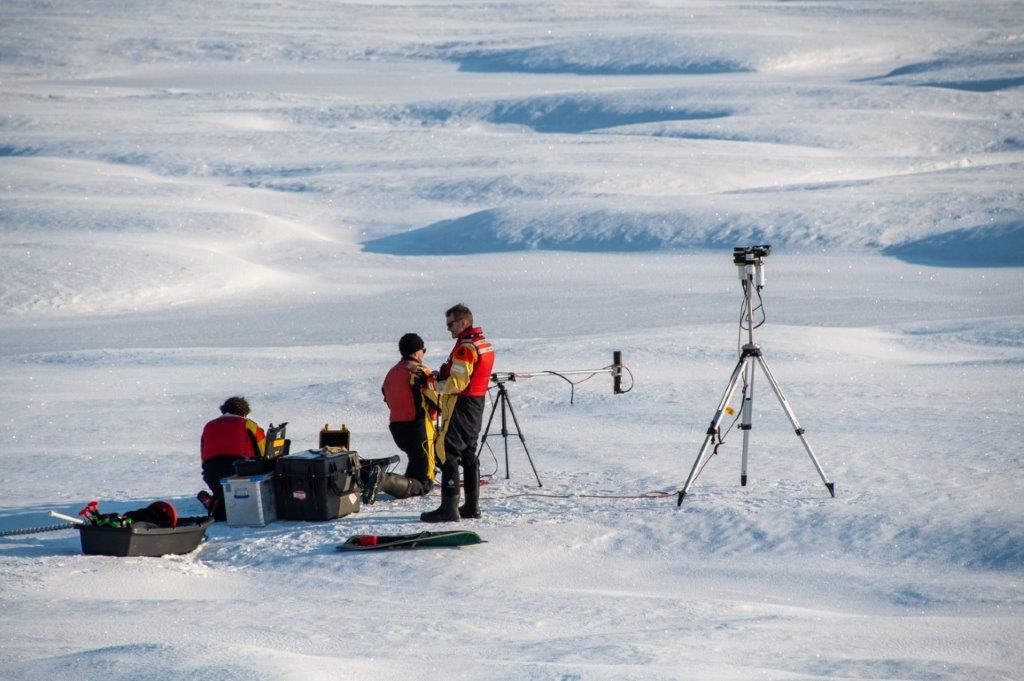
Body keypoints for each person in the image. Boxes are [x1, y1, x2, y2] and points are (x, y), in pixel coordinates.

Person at [421, 304, 494, 522]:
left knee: (448, 451)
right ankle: (471, 506)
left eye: (451, 324)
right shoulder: (482, 343)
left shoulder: (466, 348)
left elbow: (457, 383)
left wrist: (432, 385)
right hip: (476, 403)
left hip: (461, 404)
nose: (448, 329)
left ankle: (448, 508)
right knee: (469, 453)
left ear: (464, 322)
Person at [365, 333, 439, 503]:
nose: (423, 354)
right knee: (424, 483)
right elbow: (436, 400)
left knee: (415, 466)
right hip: (418, 428)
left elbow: (388, 397)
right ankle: (383, 481)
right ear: (417, 352)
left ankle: (377, 479)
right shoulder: (419, 371)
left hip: (398, 428)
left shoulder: (392, 373)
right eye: (423, 350)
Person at [198, 396, 266, 521]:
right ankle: (217, 505)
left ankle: (215, 500)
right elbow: (263, 449)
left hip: (211, 472)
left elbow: (203, 452)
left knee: (223, 493)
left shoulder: (208, 426)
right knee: (237, 499)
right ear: (244, 412)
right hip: (238, 469)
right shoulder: (248, 424)